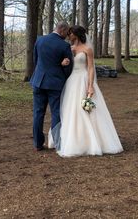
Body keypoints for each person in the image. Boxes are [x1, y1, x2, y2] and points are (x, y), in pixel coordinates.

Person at [48, 25, 123, 157]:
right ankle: (72, 140)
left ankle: (92, 141)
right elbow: (63, 63)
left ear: (76, 35)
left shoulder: (87, 49)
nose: (68, 36)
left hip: (83, 79)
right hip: (72, 81)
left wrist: (90, 85)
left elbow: (90, 68)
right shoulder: (69, 48)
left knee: (87, 110)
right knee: (70, 110)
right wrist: (63, 63)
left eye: (70, 33)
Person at [30, 21, 73, 151]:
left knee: (38, 113)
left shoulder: (40, 40)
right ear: (62, 30)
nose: (67, 35)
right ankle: (57, 143)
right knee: (56, 113)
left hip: (38, 81)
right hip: (55, 83)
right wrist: (62, 75)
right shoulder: (64, 45)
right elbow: (68, 67)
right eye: (67, 32)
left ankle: (38, 144)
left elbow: (36, 60)